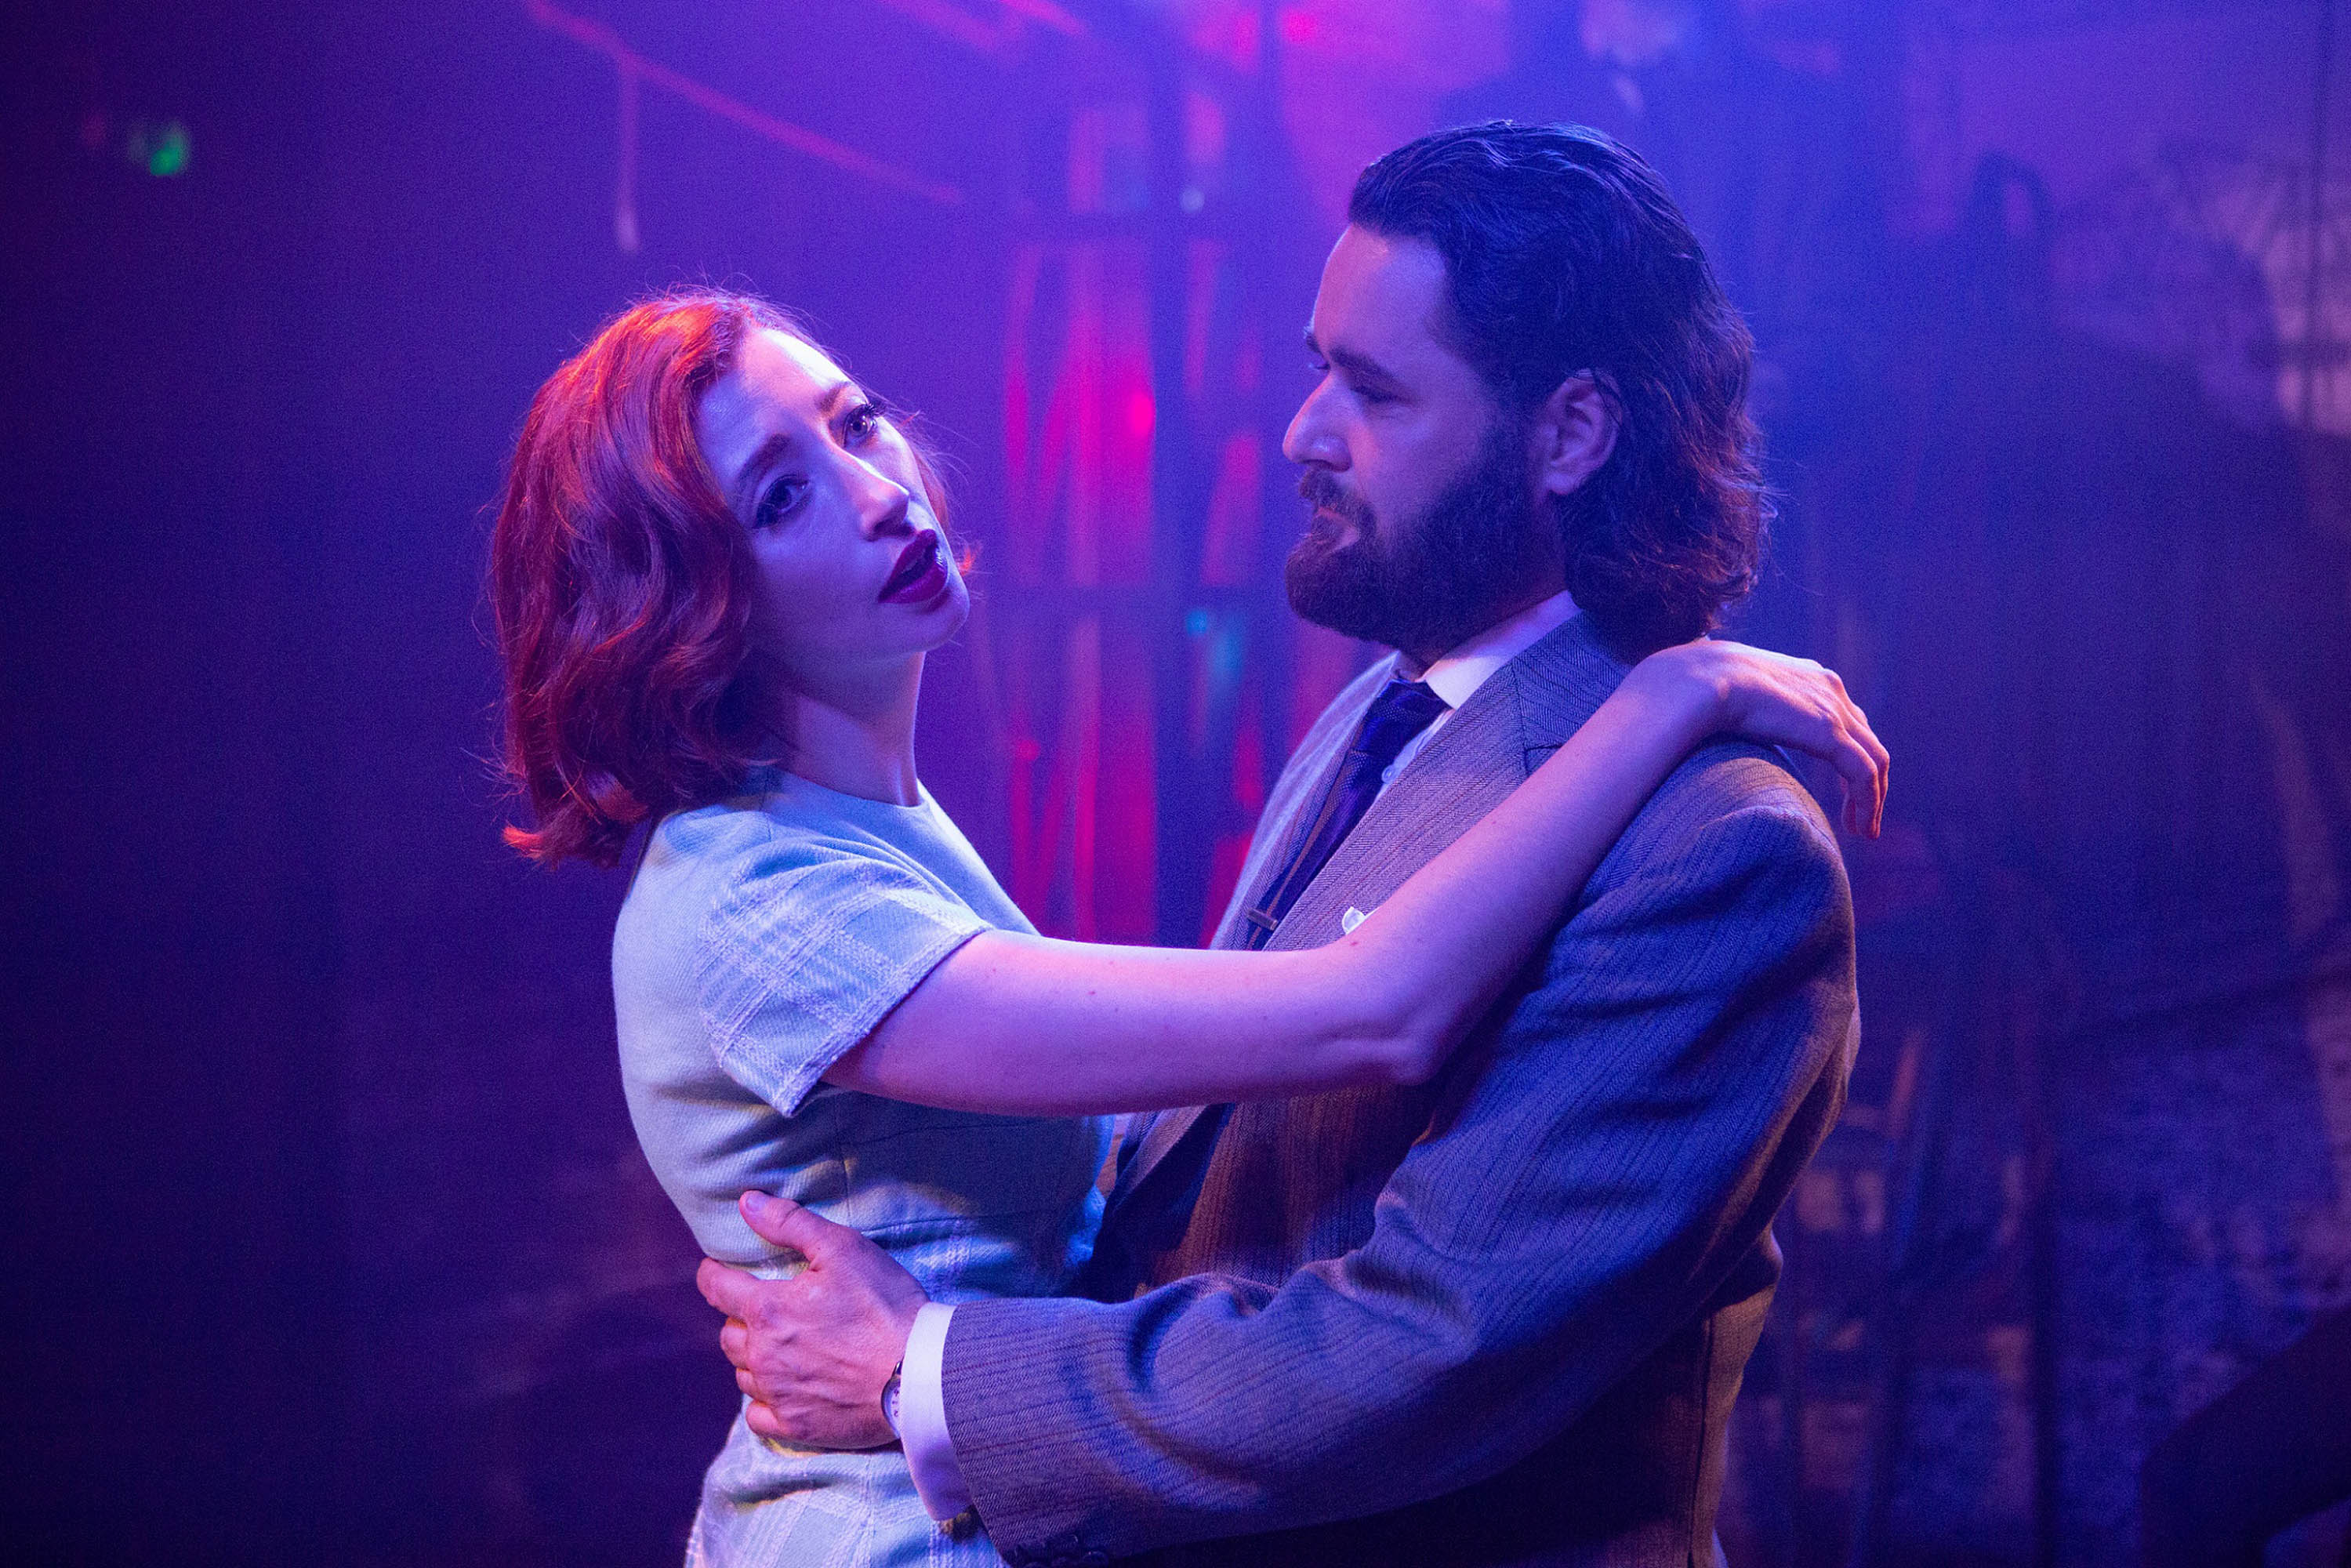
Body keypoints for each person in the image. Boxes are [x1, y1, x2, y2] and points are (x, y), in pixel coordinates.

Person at [490, 261, 1881, 1565]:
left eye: (856, 425)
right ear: (691, 605)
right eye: (782, 498)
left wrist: (934, 1355)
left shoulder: (864, 822)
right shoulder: (759, 899)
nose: (877, 494)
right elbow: (1373, 1009)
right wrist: (1670, 693)